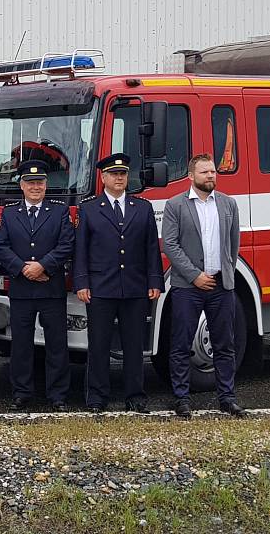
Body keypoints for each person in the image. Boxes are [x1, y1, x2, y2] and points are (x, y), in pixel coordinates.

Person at [73, 153, 164, 413]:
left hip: (135, 287)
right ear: (103, 178)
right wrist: (82, 282)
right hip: (100, 287)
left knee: (134, 345)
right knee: (99, 344)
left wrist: (155, 280)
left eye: (123, 174)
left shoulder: (142, 207)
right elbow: (81, 250)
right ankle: (97, 398)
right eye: (114, 174)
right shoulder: (89, 208)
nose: (119, 178)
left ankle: (135, 396)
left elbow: (151, 247)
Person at [161, 154, 245, 418]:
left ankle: (227, 398)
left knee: (224, 344)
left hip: (221, 286)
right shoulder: (175, 205)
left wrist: (226, 273)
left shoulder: (228, 204)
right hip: (188, 286)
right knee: (181, 343)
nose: (210, 176)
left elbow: (233, 243)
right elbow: (170, 245)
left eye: (213, 172)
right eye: (204, 172)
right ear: (191, 176)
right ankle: (182, 399)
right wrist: (195, 275)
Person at [0, 160, 75, 411]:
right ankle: (21, 392)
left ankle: (58, 395)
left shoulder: (59, 211)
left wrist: (42, 266)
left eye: (39, 182)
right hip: (21, 288)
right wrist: (23, 268)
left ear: (46, 184)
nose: (35, 187)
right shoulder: (9, 213)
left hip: (51, 288)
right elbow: (1, 247)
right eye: (30, 183)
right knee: (20, 344)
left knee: (57, 344)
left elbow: (66, 245)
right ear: (22, 185)